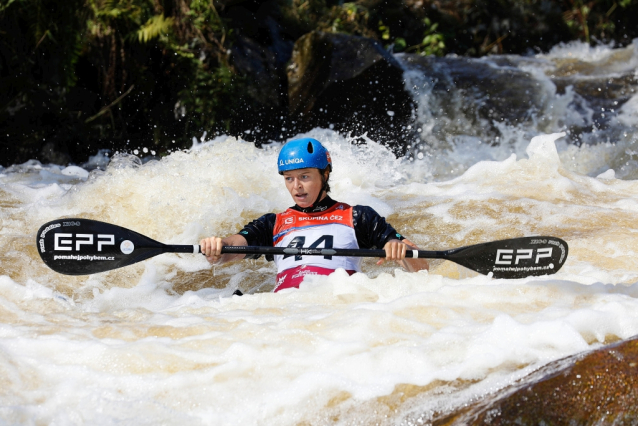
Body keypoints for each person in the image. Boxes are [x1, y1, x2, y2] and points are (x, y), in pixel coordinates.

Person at [200, 138, 429, 292]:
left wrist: (401, 250)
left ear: (325, 174)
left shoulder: (358, 217)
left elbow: (421, 270)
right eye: (289, 178)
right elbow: (230, 249)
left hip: (337, 304)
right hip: (285, 305)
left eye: (305, 176)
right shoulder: (273, 223)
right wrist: (217, 247)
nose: (296, 186)